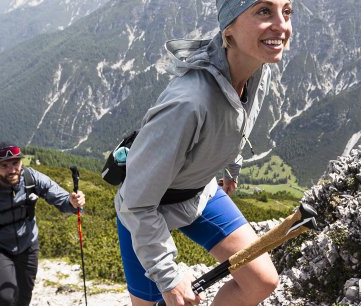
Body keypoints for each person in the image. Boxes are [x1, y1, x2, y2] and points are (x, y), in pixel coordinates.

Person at [114, 0, 293, 305]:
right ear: (229, 29)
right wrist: (169, 278)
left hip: (199, 191)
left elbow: (235, 120)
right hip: (145, 206)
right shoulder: (188, 103)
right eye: (264, 11)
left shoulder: (256, 70)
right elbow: (137, 202)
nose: (281, 25)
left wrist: (230, 166)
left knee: (261, 281)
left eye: (286, 11)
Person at [0, 142, 85, 306]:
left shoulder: (32, 178)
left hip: (28, 246)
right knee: (7, 298)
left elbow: (62, 199)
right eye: (4, 165)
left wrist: (73, 203)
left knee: (23, 299)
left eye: (15, 163)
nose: (12, 170)